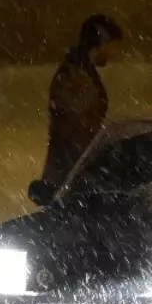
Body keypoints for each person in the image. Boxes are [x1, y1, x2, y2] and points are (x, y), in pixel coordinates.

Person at [28, 14, 123, 206]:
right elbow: (73, 133)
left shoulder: (81, 72)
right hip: (69, 180)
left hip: (73, 178)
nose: (116, 53)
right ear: (102, 42)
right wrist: (94, 167)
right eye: (114, 45)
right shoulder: (74, 77)